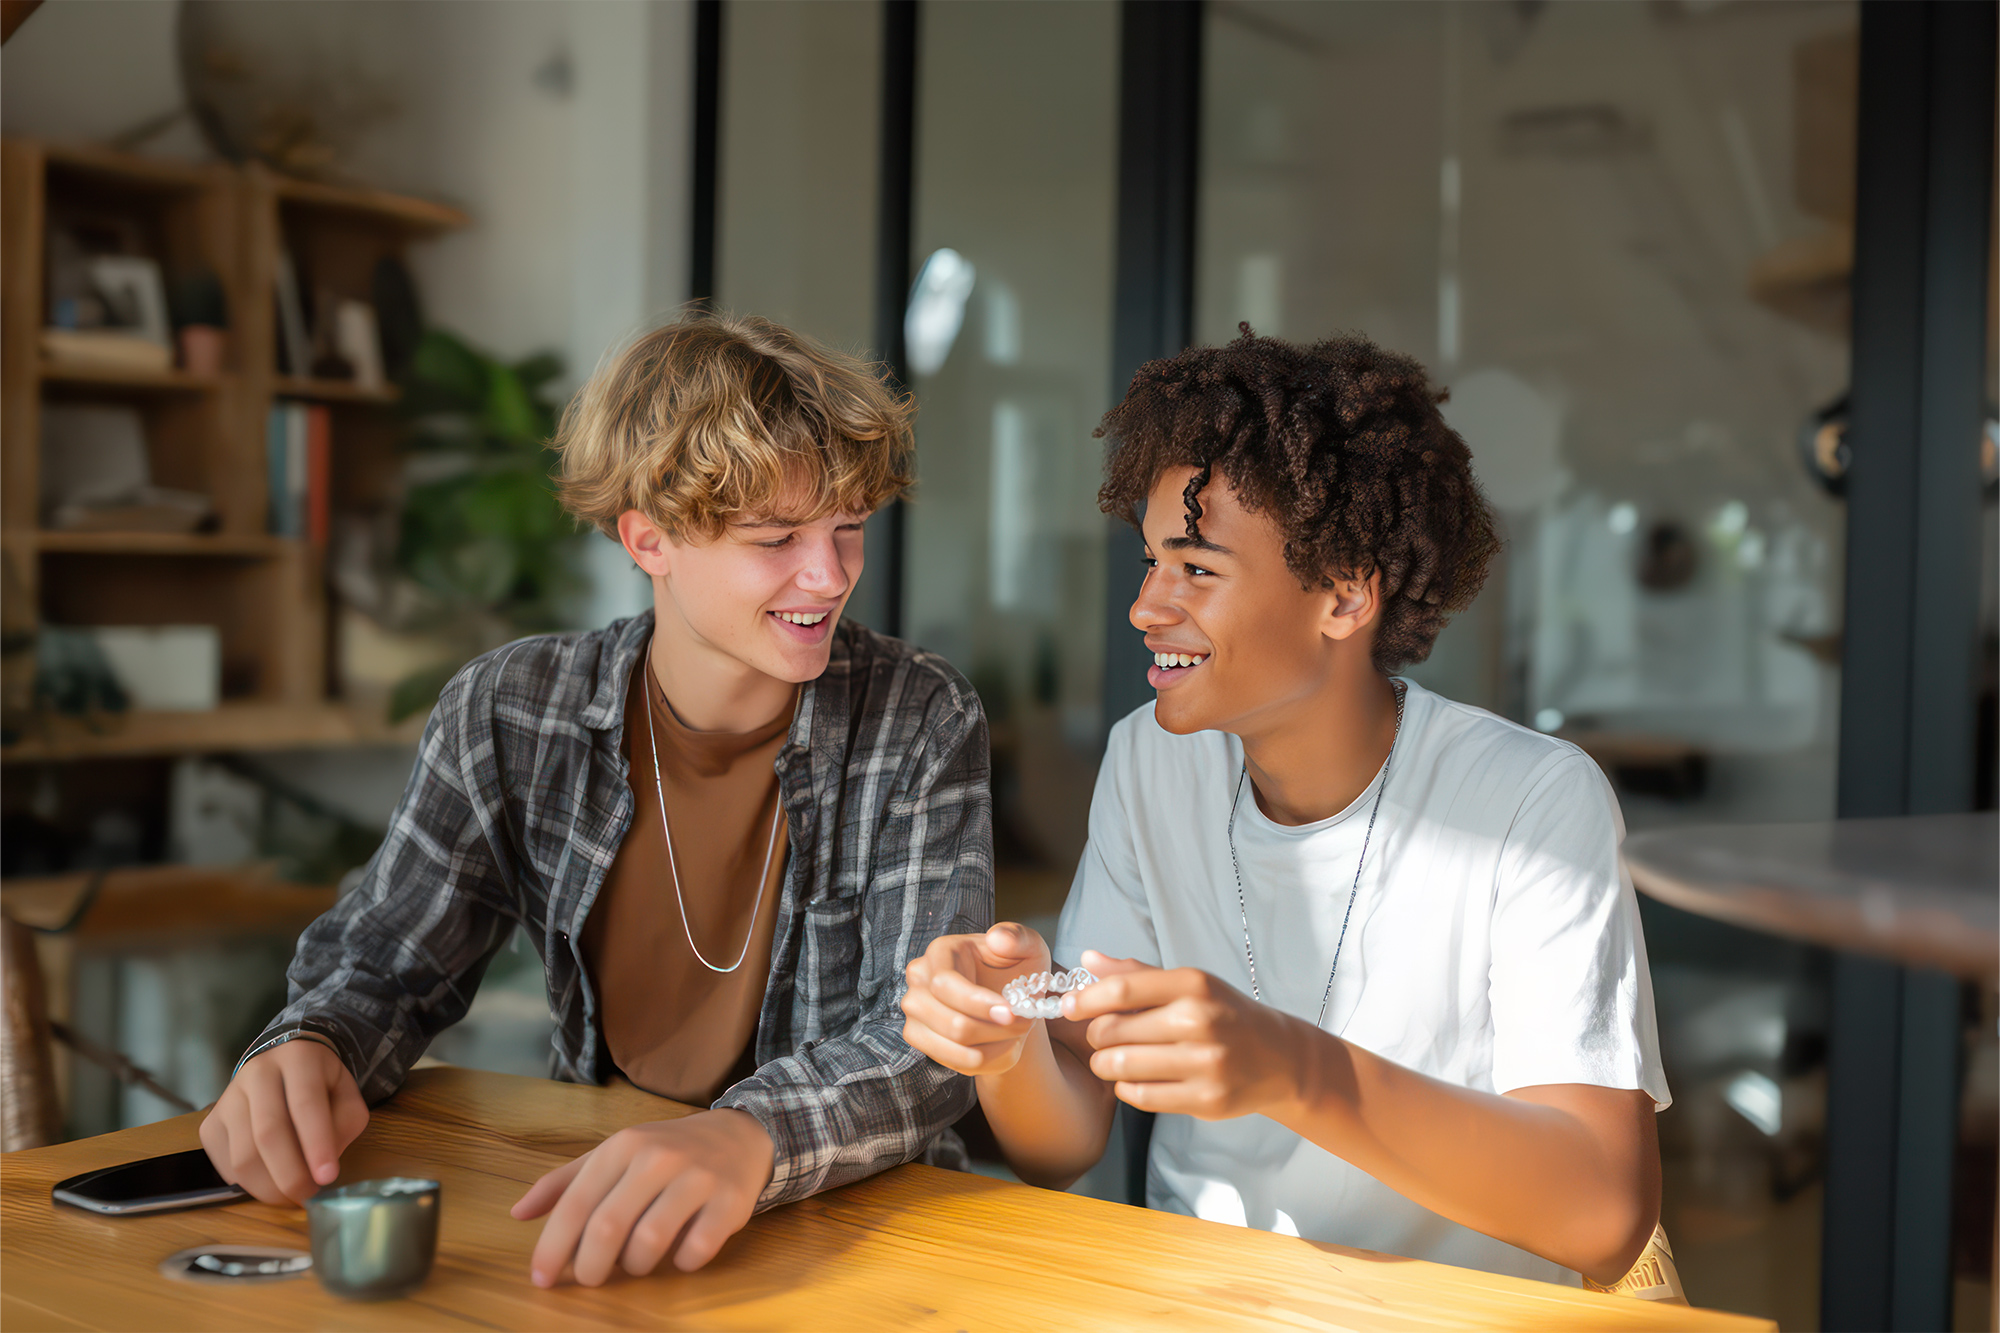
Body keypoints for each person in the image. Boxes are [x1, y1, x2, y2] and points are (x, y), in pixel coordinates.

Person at [202, 313, 993, 1288]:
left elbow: (930, 1046)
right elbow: (384, 963)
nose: (827, 576)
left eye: (847, 531)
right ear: (647, 538)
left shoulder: (917, 714)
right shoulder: (509, 709)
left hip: (866, 1225)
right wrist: (314, 1041)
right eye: (776, 537)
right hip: (603, 1212)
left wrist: (750, 1134)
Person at [901, 328, 1668, 1287]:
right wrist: (1004, 1042)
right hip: (1204, 1302)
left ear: (1344, 596)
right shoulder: (1152, 761)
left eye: (1197, 569)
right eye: (1149, 562)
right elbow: (1064, 1147)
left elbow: (1603, 1212)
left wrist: (1293, 1068)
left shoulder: (1530, 801)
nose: (1146, 605)